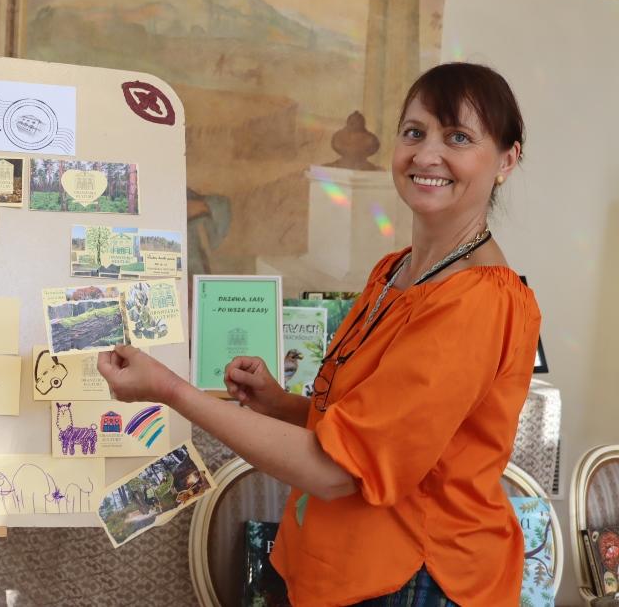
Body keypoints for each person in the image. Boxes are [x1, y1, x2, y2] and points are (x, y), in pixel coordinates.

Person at [97, 62, 542, 607]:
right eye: (414, 132)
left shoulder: (477, 300)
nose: (427, 155)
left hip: (414, 577)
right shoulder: (395, 271)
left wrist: (172, 391)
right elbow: (364, 429)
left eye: (458, 138)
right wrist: (279, 404)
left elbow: (338, 471)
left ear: (507, 160)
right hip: (337, 566)